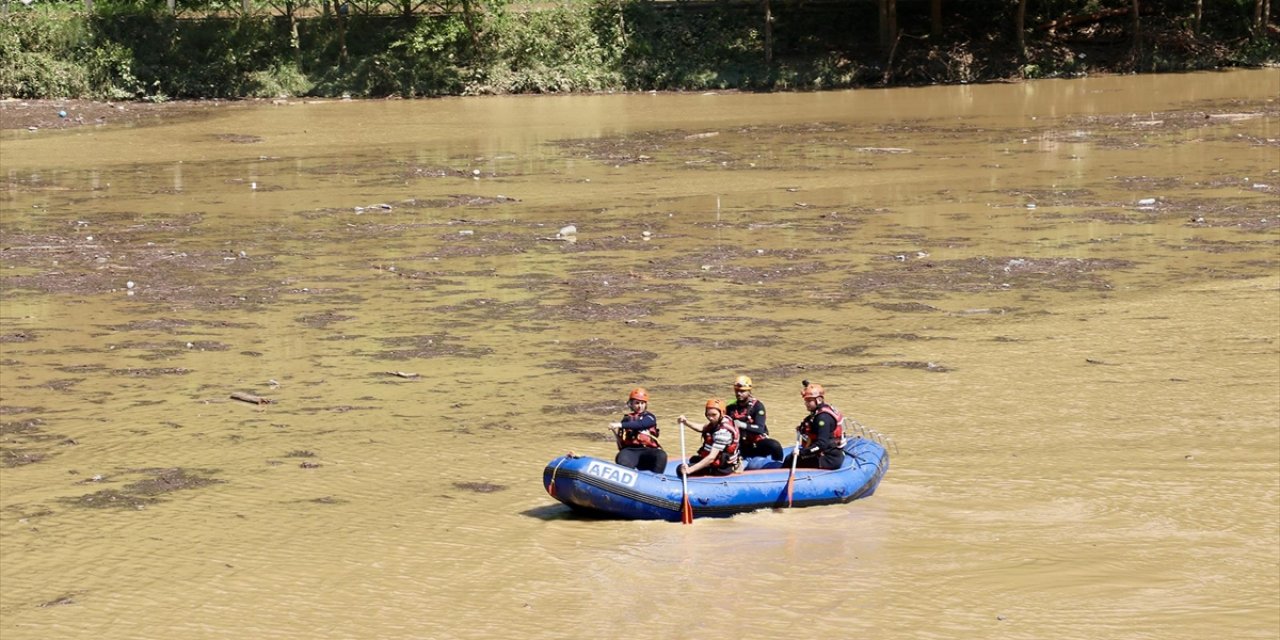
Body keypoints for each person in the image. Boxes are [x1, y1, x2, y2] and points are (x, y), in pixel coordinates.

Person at [782, 383, 846, 470]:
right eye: (805, 401)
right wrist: (802, 427)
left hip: (828, 458)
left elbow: (821, 445)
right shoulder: (821, 410)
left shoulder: (823, 418)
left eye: (809, 401)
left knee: (790, 459)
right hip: (828, 453)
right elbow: (809, 421)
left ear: (819, 400)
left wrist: (802, 452)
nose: (806, 403)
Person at [676, 398, 741, 477]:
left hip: (722, 468)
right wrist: (686, 422)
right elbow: (702, 428)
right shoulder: (719, 421)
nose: (710, 418)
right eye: (708, 414)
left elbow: (711, 457)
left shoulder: (723, 432)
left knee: (680, 469)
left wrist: (690, 470)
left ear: (722, 413)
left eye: (713, 415)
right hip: (716, 462)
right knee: (694, 459)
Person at [726, 375, 783, 461]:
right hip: (740, 444)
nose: (738, 394)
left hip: (757, 443)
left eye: (742, 391)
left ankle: (779, 467)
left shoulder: (757, 406)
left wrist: (741, 424)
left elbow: (760, 428)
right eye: (737, 391)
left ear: (749, 391)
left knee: (775, 446)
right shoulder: (730, 407)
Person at [611, 387, 668, 473]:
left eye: (642, 403)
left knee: (661, 455)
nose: (640, 406)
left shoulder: (650, 417)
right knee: (621, 457)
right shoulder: (626, 419)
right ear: (631, 404)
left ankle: (656, 479)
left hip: (648, 451)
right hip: (630, 451)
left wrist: (620, 424)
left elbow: (641, 424)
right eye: (637, 403)